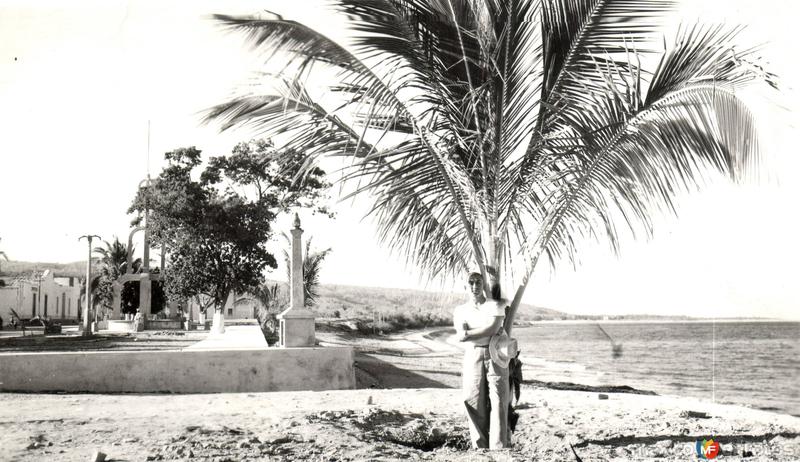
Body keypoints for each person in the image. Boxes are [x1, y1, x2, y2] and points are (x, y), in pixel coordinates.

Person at [453, 272, 510, 449]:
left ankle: (499, 447)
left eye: (478, 282)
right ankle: (480, 447)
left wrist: (469, 332)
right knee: (473, 399)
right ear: (465, 286)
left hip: (496, 354)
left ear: (484, 284)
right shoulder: (460, 310)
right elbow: (461, 337)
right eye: (470, 282)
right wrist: (483, 331)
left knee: (499, 400)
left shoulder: (495, 306)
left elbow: (493, 327)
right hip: (473, 354)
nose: (474, 286)